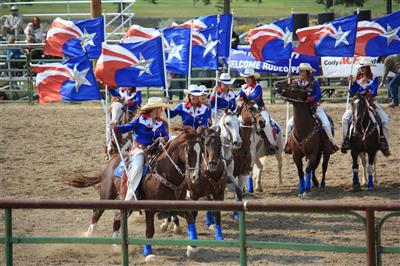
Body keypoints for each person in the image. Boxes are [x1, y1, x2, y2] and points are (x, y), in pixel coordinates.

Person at [111, 97, 170, 200]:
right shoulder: (139, 120)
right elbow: (125, 128)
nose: (161, 110)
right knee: (137, 167)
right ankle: (130, 197)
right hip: (139, 149)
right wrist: (114, 128)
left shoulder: (161, 123)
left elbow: (166, 136)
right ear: (154, 109)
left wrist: (163, 138)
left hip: (155, 149)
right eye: (159, 108)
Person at [341, 58, 390, 156]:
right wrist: (350, 83)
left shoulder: (374, 78)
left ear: (368, 68)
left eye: (364, 67)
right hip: (358, 103)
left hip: (370, 102)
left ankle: (383, 141)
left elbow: (374, 92)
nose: (362, 69)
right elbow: (352, 92)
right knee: (345, 119)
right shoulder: (356, 79)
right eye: (361, 67)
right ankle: (346, 139)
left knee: (384, 119)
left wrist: (367, 92)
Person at [237, 68, 278, 152]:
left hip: (258, 109)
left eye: (248, 77)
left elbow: (254, 98)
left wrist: (243, 98)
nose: (246, 79)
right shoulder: (243, 87)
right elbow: (238, 97)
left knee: (265, 123)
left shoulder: (258, 87)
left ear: (252, 78)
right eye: (245, 77)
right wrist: (240, 98)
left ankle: (271, 144)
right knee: (235, 122)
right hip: (246, 110)